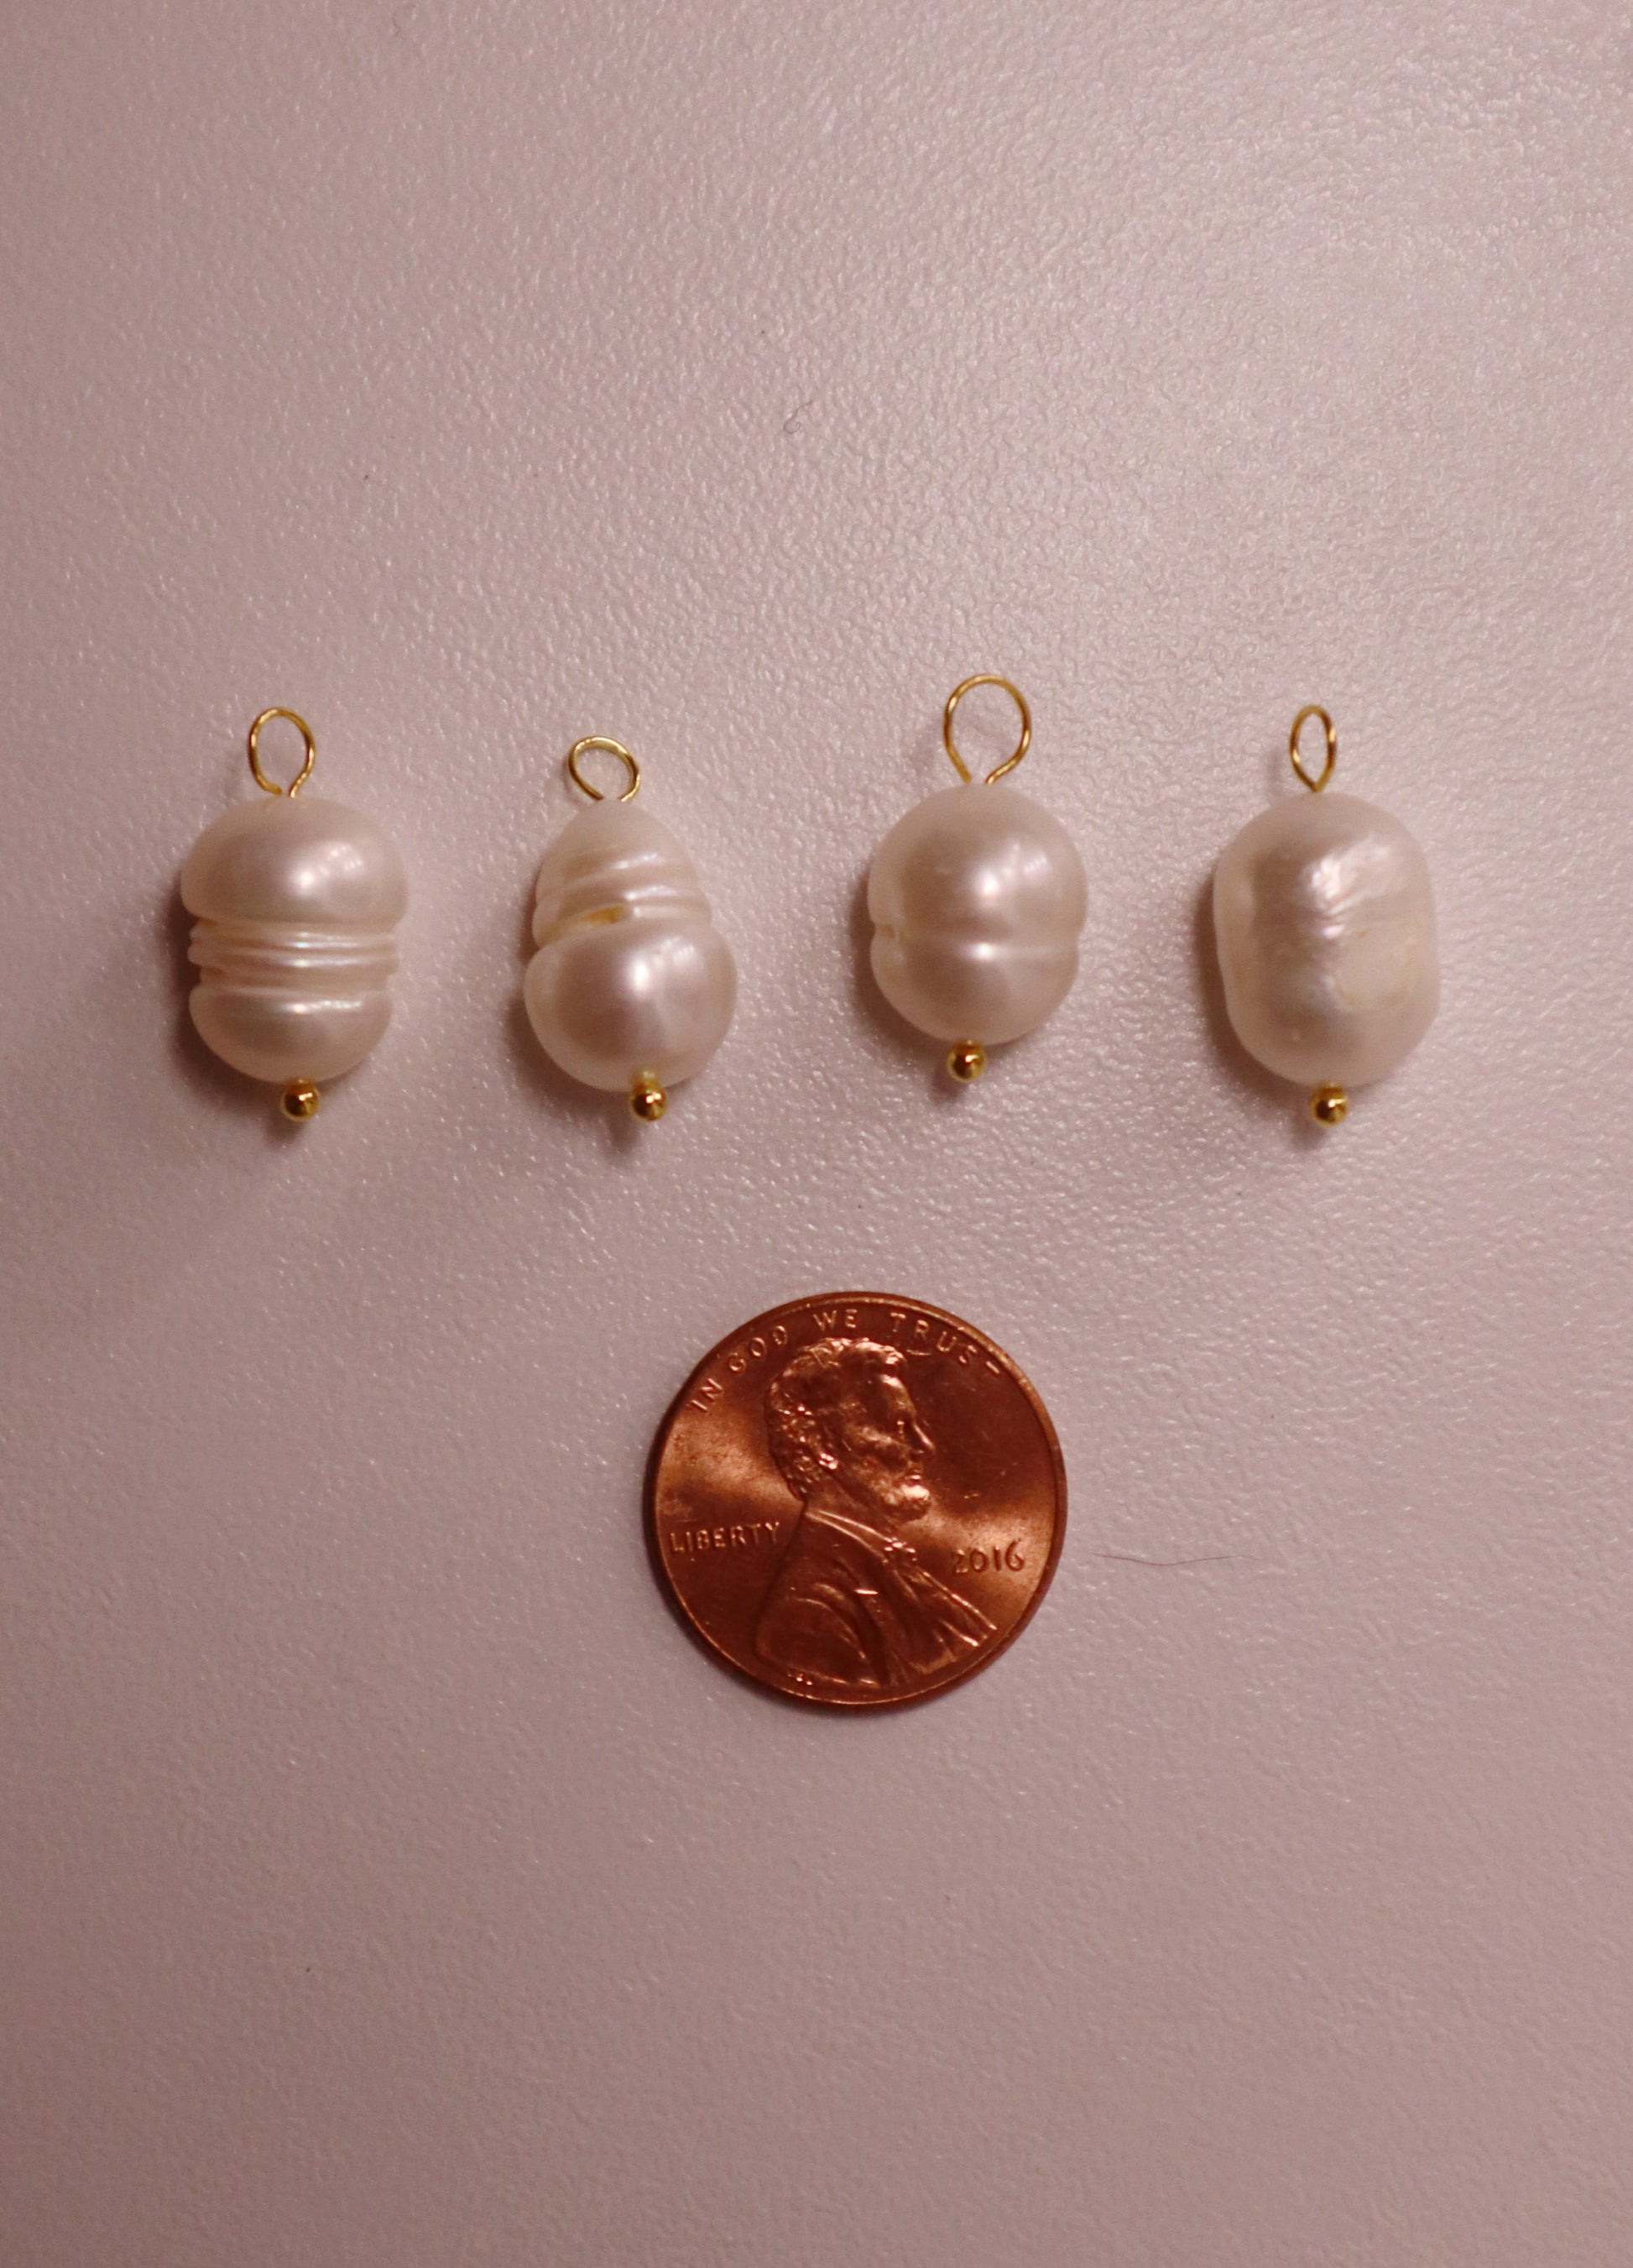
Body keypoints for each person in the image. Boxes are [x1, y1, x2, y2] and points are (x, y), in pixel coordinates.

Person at [754, 1336, 995, 1695]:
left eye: (915, 1426)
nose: (923, 1446)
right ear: (821, 1443)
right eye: (896, 1427)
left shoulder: (896, 1573)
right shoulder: (807, 1613)